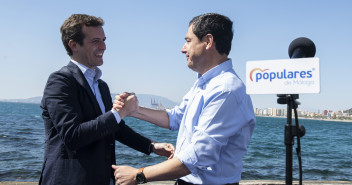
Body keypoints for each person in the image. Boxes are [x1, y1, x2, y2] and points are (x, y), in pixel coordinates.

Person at [112, 13, 256, 185]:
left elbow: (198, 156)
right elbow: (176, 118)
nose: (182, 48)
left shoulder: (226, 90)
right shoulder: (204, 83)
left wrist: (139, 175)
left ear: (208, 41)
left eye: (188, 41)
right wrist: (134, 110)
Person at [39, 14, 174, 185]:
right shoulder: (60, 81)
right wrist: (120, 112)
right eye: (95, 41)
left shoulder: (101, 85)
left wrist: (152, 146)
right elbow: (72, 136)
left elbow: (115, 128)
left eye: (104, 40)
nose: (103, 46)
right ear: (73, 45)